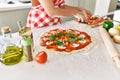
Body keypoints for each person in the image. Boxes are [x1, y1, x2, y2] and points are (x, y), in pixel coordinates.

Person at [26, 0, 92, 28]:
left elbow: (60, 6)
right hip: (38, 24)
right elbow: (52, 12)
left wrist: (79, 9)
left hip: (53, 23)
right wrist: (75, 13)